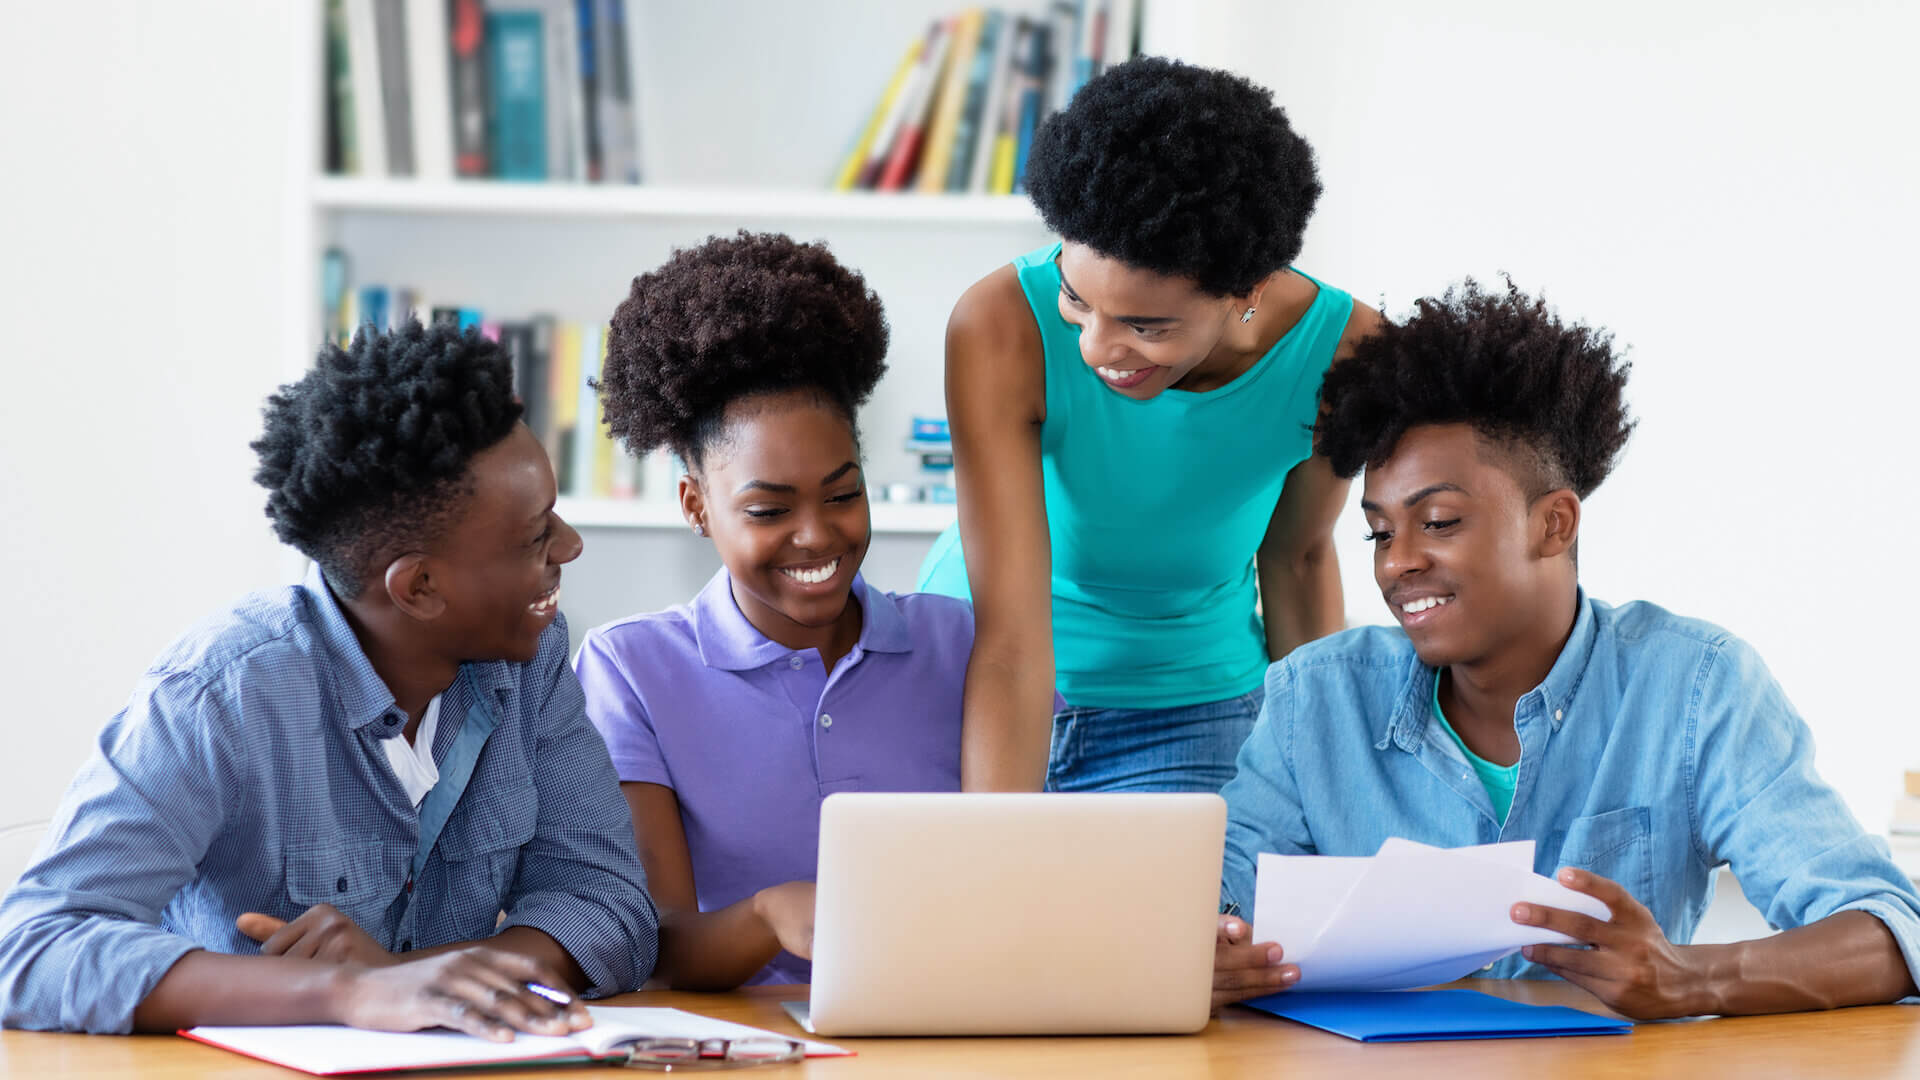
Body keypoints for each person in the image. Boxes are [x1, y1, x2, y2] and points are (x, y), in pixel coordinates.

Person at [1211, 281, 1920, 1018]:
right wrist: (1205, 954)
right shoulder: (1316, 700)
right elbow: (1210, 917)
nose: (1397, 563)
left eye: (1441, 522)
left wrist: (1693, 977)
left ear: (1554, 525)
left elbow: (1890, 931)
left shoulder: (1696, 688)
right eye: (1381, 533)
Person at [0, 321, 659, 1035]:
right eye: (536, 537)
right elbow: (32, 949)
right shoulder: (222, 691)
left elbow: (610, 903)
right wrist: (336, 990)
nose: (571, 545)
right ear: (419, 588)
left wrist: (422, 975)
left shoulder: (529, 658)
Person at [917, 58, 1382, 793]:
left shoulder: (1345, 351)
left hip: (1190, 699)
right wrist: (996, 849)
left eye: (1145, 324)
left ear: (1247, 291)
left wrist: (1325, 785)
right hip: (985, 669)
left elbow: (1297, 558)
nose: (1097, 349)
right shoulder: (999, 324)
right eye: (1076, 299)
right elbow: (1009, 637)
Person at [576, 232, 975, 988]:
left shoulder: (958, 642)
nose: (818, 535)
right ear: (696, 506)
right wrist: (766, 917)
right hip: (746, 1046)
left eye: (843, 494)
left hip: (948, 1029)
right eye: (768, 509)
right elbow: (653, 943)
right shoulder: (631, 668)